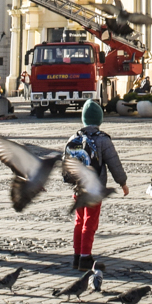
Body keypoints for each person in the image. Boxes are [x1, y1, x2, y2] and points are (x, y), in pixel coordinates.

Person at [65, 101, 129, 270]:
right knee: (90, 222)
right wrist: (122, 182)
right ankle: (86, 257)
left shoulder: (74, 138)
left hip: (78, 189)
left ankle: (77, 256)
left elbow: (66, 167)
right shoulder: (103, 140)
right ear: (99, 120)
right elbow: (114, 163)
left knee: (79, 221)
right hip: (94, 190)